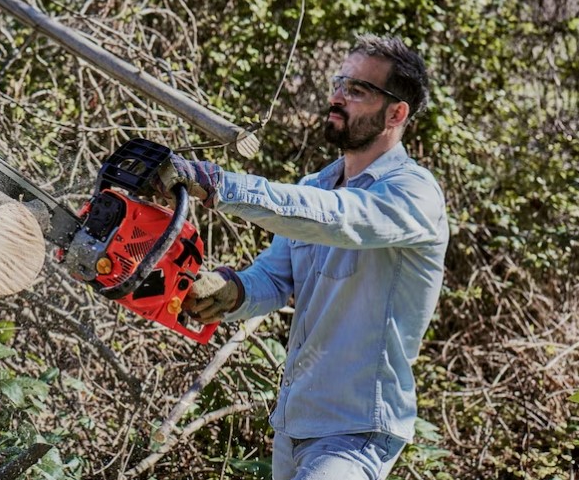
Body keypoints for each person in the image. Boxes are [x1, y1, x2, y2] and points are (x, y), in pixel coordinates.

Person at [162, 34, 449, 480]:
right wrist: (233, 291)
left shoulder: (414, 193)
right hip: (294, 425)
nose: (337, 98)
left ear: (396, 113)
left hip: (359, 431)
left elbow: (337, 220)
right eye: (340, 83)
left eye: (357, 90)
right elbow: (277, 280)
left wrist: (220, 184)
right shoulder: (317, 185)